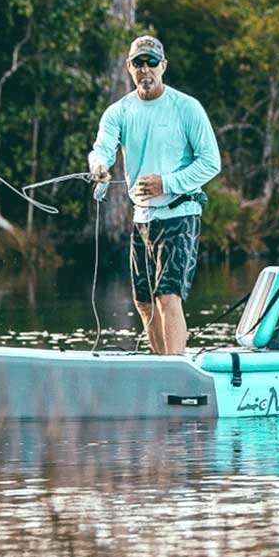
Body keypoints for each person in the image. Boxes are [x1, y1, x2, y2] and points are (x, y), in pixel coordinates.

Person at [89, 35, 221, 355]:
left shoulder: (186, 108)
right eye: (138, 63)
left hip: (180, 213)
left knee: (167, 296)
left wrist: (167, 183)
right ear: (129, 68)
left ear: (163, 66)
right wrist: (100, 168)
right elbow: (102, 149)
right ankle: (163, 366)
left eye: (151, 63)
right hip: (143, 219)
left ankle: (176, 368)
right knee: (144, 301)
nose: (145, 70)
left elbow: (211, 163)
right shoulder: (119, 111)